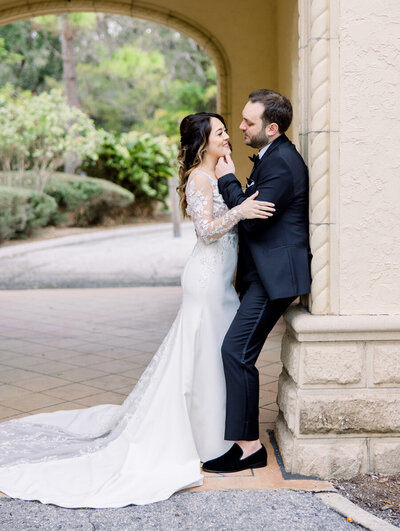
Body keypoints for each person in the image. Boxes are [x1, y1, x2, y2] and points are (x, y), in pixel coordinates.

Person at [0, 112, 275, 508]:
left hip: (220, 281)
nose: (228, 136)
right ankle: (207, 440)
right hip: (205, 278)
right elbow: (206, 230)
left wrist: (236, 191)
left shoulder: (218, 172)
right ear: (203, 141)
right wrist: (241, 211)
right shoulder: (199, 177)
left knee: (214, 357)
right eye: (219, 133)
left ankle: (217, 435)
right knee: (205, 354)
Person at [203, 90, 312, 474]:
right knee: (238, 353)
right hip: (262, 274)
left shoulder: (282, 162)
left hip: (274, 277)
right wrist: (241, 190)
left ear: (272, 127)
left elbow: (250, 217)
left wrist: (227, 178)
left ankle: (249, 447)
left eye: (248, 122)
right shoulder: (272, 156)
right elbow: (251, 204)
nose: (240, 127)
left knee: (235, 352)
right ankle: (246, 442)